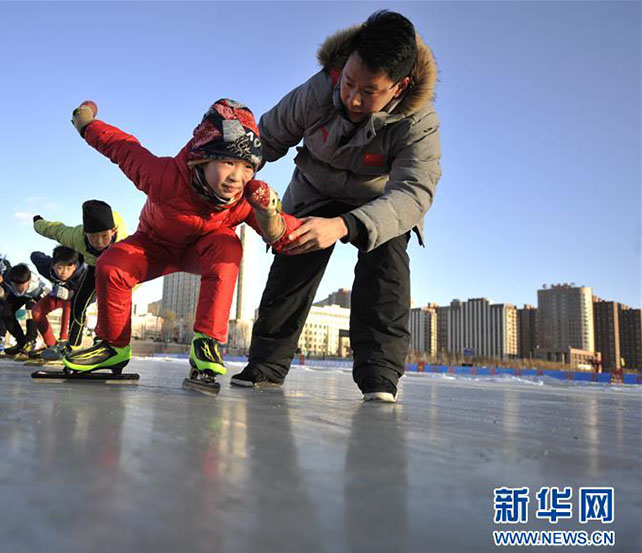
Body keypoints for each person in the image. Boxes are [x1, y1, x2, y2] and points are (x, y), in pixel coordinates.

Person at [230, 10, 441, 403]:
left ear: (400, 87)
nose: (353, 98)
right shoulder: (318, 90)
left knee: (388, 263)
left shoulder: (419, 122)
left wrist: (344, 225)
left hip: (377, 202)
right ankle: (265, 365)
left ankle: (379, 375)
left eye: (369, 91)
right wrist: (229, 173)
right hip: (314, 188)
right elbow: (265, 139)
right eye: (348, 83)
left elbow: (414, 192)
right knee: (294, 257)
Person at [63, 97, 301, 386]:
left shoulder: (244, 199)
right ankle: (113, 347)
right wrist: (87, 124)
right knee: (111, 264)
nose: (237, 178)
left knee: (227, 246)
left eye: (247, 167)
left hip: (202, 252)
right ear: (202, 157)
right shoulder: (163, 177)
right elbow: (122, 147)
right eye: (228, 162)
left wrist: (272, 213)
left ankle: (207, 341)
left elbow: (284, 235)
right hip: (153, 247)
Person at [32, 200, 128, 359]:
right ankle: (73, 348)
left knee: (109, 304)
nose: (99, 243)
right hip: (93, 266)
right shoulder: (75, 236)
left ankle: (108, 345)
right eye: (93, 237)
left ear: (114, 230)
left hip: (117, 268)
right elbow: (55, 230)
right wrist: (38, 223)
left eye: (104, 236)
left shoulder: (124, 240)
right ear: (85, 233)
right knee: (78, 302)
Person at [28, 245, 86, 360]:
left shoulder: (83, 273)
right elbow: (34, 255)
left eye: (69, 269)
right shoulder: (46, 267)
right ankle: (52, 346)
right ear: (53, 265)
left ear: (74, 266)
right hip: (57, 295)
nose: (64, 272)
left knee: (69, 302)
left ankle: (65, 342)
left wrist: (71, 294)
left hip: (78, 298)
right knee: (36, 312)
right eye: (60, 267)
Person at [0, 263, 47, 356]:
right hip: (15, 295)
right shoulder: (6, 277)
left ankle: (30, 341)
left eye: (22, 285)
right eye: (16, 285)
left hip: (34, 294)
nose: (19, 288)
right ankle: (21, 342)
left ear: (29, 281)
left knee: (32, 311)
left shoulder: (38, 286)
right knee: (5, 313)